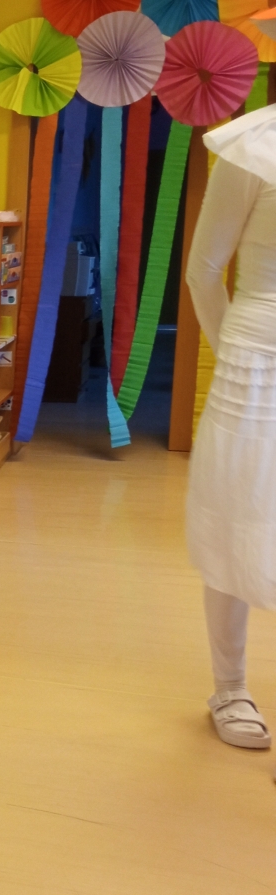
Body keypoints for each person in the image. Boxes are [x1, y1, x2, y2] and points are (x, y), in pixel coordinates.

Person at [186, 117, 276, 751]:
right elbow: (204, 269)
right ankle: (230, 685)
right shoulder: (255, 147)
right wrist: (236, 360)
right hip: (257, 358)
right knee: (235, 513)